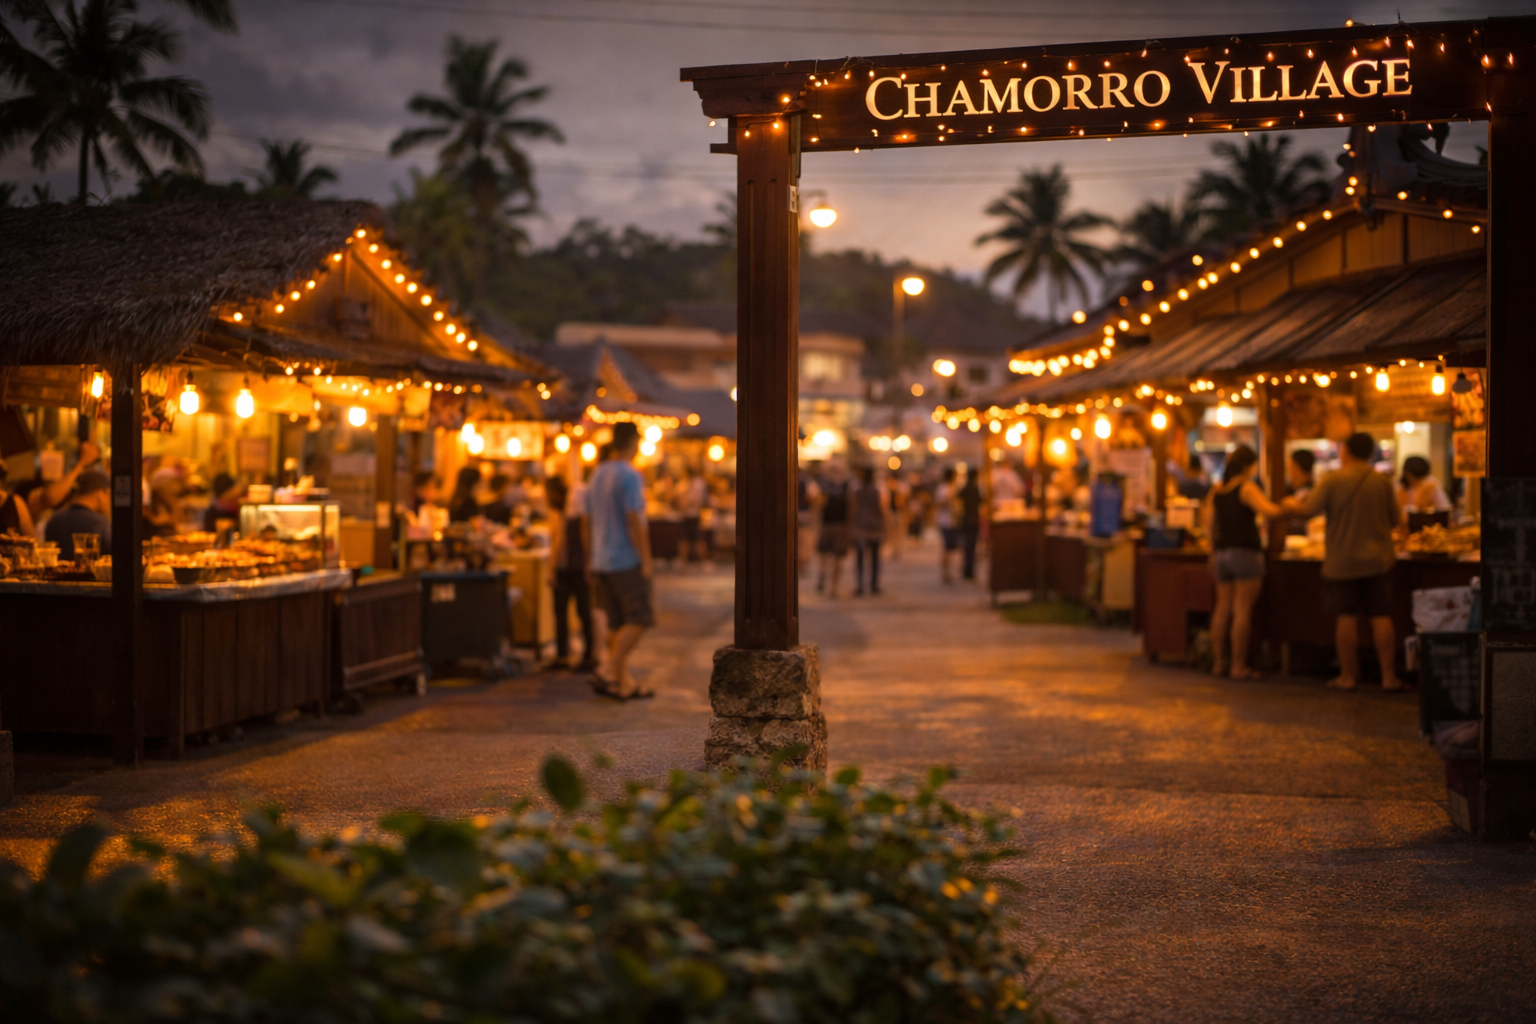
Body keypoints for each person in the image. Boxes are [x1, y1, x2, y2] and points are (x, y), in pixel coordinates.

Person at [1286, 431, 1403, 691]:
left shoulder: (1333, 479)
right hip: (1378, 560)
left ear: (1346, 451)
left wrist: (1287, 506)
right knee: (1382, 616)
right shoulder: (1382, 481)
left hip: (1342, 561)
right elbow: (1397, 519)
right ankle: (1388, 677)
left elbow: (1307, 510)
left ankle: (1348, 676)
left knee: (1346, 618)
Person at [582, 422, 654, 699]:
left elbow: (586, 521)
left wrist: (590, 559)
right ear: (634, 442)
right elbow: (634, 518)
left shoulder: (597, 474)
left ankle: (624, 685)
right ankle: (609, 669)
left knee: (616, 622)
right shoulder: (630, 475)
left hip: (601, 558)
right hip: (624, 558)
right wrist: (646, 558)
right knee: (640, 617)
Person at [1204, 445, 1287, 681]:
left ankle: (1219, 663)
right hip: (1245, 554)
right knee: (1242, 610)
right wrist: (1290, 508)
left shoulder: (1217, 490)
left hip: (1221, 555)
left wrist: (1212, 552)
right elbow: (1268, 511)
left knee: (1221, 609)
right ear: (1249, 465)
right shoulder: (1246, 487)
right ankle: (1238, 665)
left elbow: (1209, 525)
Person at [546, 474, 597, 671]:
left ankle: (568, 655)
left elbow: (559, 543)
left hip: (570, 567)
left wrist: (552, 569)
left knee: (567, 612)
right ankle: (582, 654)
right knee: (581, 611)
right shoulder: (574, 514)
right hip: (577, 566)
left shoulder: (567, 515)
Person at [44, 470, 112, 562]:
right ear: (100, 494)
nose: (109, 501)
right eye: (109, 494)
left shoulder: (54, 520)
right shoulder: (103, 524)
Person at [849, 466, 887, 596]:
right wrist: (885, 525)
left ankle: (860, 585)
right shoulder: (877, 491)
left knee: (860, 557)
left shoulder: (857, 491)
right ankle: (874, 585)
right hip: (874, 526)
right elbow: (882, 508)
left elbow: (853, 508)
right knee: (875, 557)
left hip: (860, 526)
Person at [816, 462, 852, 597]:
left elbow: (852, 506)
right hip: (829, 524)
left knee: (837, 557)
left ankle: (832, 586)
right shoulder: (824, 485)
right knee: (824, 554)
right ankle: (824, 576)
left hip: (838, 525)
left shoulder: (846, 485)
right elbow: (818, 505)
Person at [1397, 456, 1451, 522]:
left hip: (1428, 525)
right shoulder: (1401, 488)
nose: (1417, 482)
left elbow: (1443, 509)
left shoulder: (1430, 485)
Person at [796, 463, 822, 576]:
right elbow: (816, 498)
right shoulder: (807, 481)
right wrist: (812, 512)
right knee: (805, 545)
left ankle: (798, 566)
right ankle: (799, 566)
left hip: (794, 516)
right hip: (805, 516)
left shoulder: (786, 480)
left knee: (796, 544)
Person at [935, 466, 960, 583]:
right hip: (946, 521)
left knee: (949, 549)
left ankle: (947, 572)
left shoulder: (948, 487)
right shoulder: (945, 488)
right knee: (947, 548)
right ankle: (945, 573)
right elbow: (940, 502)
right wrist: (950, 502)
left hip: (950, 521)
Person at [958, 466, 982, 581]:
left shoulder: (965, 488)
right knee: (971, 546)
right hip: (973, 519)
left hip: (965, 519)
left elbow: (958, 499)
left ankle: (966, 570)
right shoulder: (975, 488)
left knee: (966, 546)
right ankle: (969, 571)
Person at [1285, 449, 1317, 537]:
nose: (1288, 470)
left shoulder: (1306, 494)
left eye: (1289, 465)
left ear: (1296, 466)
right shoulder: (1317, 490)